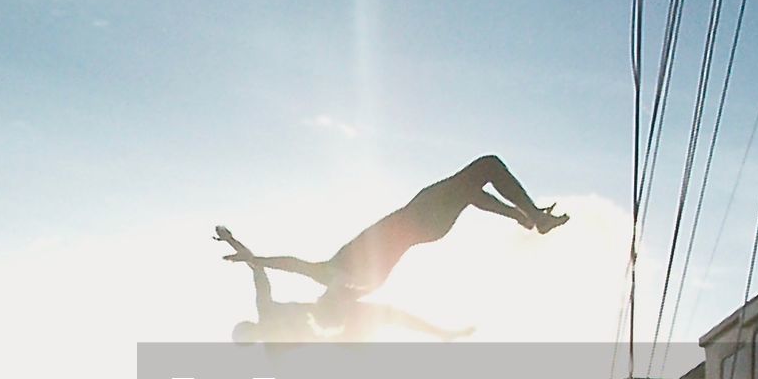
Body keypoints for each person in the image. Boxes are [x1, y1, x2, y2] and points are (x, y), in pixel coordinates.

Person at [218, 154, 567, 301]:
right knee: (487, 167)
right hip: (421, 217)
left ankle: (527, 218)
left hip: (429, 227)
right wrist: (246, 254)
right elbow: (289, 264)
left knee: (472, 190)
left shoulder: (334, 278)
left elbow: (285, 263)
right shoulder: (329, 275)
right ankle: (534, 217)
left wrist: (243, 251)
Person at [217, 228, 473, 343]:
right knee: (384, 317)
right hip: (333, 326)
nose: (259, 333)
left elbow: (257, 270)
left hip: (331, 308)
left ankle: (442, 334)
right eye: (254, 337)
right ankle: (443, 335)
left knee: (388, 314)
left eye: (253, 331)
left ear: (253, 327)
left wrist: (232, 241)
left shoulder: (266, 310)